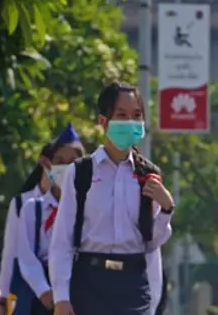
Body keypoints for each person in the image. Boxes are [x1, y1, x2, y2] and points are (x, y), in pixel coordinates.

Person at [49, 82, 175, 315]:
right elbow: (62, 240)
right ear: (103, 122)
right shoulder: (81, 173)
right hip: (89, 282)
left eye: (136, 115)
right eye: (121, 115)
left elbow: (151, 244)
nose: (130, 122)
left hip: (132, 286)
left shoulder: (148, 174)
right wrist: (61, 297)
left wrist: (166, 208)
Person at [15, 123, 87, 314]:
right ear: (49, 165)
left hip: (83, 287)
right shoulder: (33, 208)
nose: (66, 167)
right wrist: (45, 292)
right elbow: (26, 256)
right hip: (45, 294)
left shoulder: (92, 208)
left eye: (72, 161)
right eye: (60, 161)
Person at [0, 143, 53, 314]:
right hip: (28, 290)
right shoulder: (22, 203)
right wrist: (2, 298)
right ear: (44, 163)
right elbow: (10, 255)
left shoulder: (76, 205)